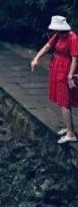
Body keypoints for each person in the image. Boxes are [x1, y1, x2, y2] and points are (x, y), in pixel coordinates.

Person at [31, 15, 78, 144]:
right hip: (57, 67)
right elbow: (47, 47)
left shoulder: (72, 37)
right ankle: (69, 127)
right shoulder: (58, 35)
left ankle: (70, 133)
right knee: (60, 98)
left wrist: (70, 74)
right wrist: (36, 58)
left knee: (64, 100)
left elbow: (75, 58)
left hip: (66, 69)